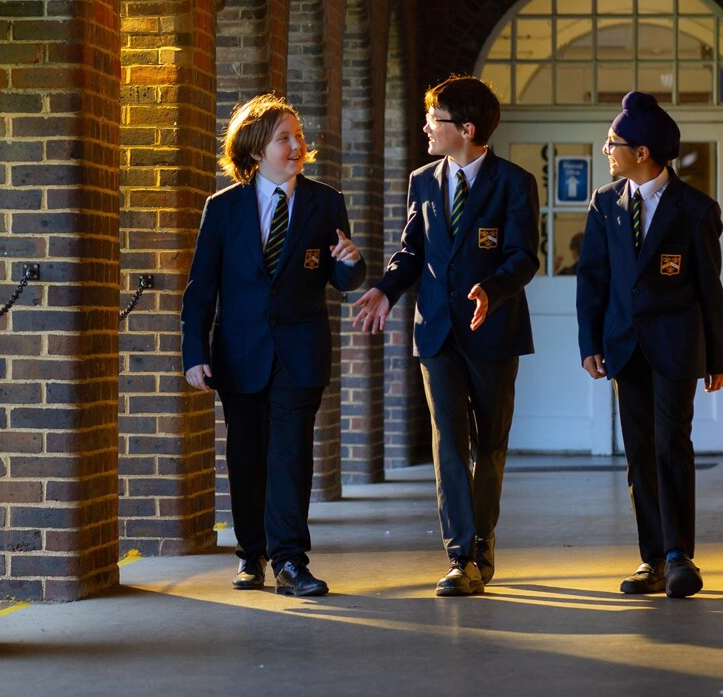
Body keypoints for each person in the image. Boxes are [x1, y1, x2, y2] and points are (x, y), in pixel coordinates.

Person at [352, 75, 539, 596]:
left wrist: (493, 290)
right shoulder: (423, 180)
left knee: (490, 445)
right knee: (450, 444)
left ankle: (482, 544)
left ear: (467, 128)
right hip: (436, 333)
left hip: (494, 331)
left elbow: (524, 257)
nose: (426, 128)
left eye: (435, 120)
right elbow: (412, 251)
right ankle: (461, 556)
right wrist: (386, 291)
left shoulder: (514, 183)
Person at [182, 93, 364, 598]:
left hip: (300, 353)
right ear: (256, 150)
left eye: (299, 136)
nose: (297, 146)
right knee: (246, 456)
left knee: (289, 455)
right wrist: (193, 352)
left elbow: (344, 277)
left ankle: (289, 561)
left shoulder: (325, 201)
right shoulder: (222, 209)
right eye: (284, 138)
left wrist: (349, 261)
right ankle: (250, 554)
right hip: (238, 354)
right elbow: (202, 288)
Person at [575, 91, 723, 599]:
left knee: (671, 445)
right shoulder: (604, 203)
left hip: (677, 346)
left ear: (642, 152)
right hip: (622, 346)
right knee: (638, 451)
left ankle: (679, 556)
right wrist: (589, 343)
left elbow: (710, 285)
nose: (607, 150)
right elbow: (592, 280)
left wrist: (718, 356)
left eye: (613, 142)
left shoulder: (695, 210)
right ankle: (652, 559)